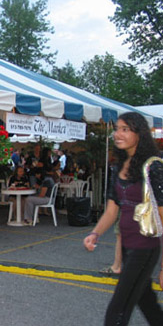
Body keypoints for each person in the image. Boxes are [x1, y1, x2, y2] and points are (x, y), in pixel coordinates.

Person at [83, 112, 163, 325]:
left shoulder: (154, 167)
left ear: (139, 134)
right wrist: (95, 233)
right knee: (149, 306)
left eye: (125, 129)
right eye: (117, 128)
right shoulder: (118, 168)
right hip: (128, 247)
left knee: (117, 311)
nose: (117, 134)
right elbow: (111, 211)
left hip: (145, 248)